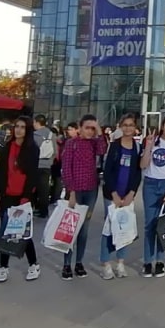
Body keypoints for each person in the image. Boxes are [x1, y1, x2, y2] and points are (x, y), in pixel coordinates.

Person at [0, 116, 41, 284]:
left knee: (23, 232)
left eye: (22, 127)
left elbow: (33, 175)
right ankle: (3, 268)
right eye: (16, 126)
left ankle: (33, 264)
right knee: (6, 231)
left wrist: (26, 196)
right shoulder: (7, 147)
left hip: (23, 196)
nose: (18, 130)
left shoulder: (32, 149)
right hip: (7, 195)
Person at [60, 114, 107, 280]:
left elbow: (103, 149)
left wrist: (99, 130)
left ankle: (79, 262)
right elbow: (66, 169)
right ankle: (67, 264)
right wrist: (71, 192)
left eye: (92, 128)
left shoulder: (94, 143)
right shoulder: (71, 144)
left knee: (84, 229)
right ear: (80, 127)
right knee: (71, 228)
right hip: (76, 191)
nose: (89, 131)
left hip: (91, 190)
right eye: (87, 127)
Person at [99, 113, 142, 279]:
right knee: (108, 229)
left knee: (125, 228)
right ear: (120, 126)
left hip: (128, 195)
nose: (128, 128)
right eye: (125, 125)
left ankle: (120, 262)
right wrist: (114, 194)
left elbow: (138, 173)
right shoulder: (114, 146)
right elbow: (107, 171)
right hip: (112, 195)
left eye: (131, 125)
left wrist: (131, 193)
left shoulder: (137, 147)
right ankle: (106, 263)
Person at [139, 116, 165, 278]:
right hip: (150, 185)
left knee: (162, 224)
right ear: (162, 126)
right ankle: (148, 262)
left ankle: (159, 261)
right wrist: (149, 146)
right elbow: (143, 165)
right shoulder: (152, 141)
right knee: (150, 225)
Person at [32, 114, 55, 218]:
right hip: (47, 165)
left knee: (33, 188)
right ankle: (43, 210)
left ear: (37, 122)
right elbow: (55, 151)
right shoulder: (51, 134)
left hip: (36, 165)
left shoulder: (34, 135)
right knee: (44, 189)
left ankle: (34, 207)